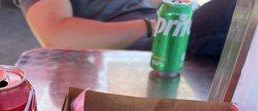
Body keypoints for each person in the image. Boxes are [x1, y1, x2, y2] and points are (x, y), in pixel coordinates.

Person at [19, 0, 237, 58]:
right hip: (123, 55)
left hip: (162, 30)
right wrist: (155, 26)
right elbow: (56, 35)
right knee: (233, 12)